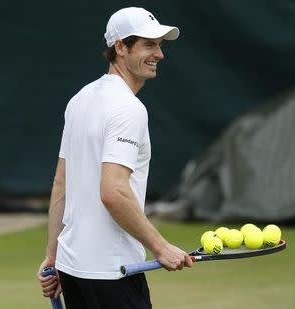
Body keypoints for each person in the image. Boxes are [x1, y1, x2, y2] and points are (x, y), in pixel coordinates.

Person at [36, 7, 193, 308]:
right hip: (112, 275)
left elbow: (60, 184)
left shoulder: (79, 99)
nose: (159, 54)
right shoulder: (129, 109)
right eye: (149, 44)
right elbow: (113, 191)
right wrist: (161, 248)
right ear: (120, 47)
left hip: (72, 271)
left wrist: (53, 256)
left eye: (160, 45)